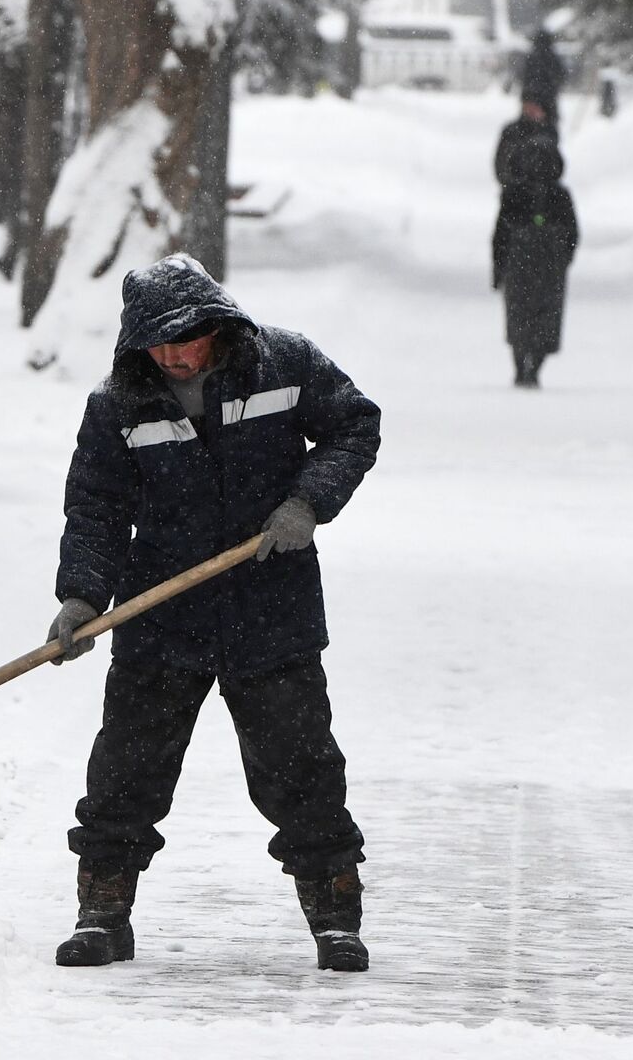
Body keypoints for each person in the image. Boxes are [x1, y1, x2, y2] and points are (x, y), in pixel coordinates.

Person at [46, 254, 381, 973]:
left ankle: (335, 917)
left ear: (215, 326)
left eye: (183, 340)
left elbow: (354, 425)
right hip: (161, 610)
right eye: (156, 344)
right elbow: (97, 507)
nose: (171, 356)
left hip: (271, 604)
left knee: (300, 764)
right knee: (125, 772)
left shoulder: (283, 364)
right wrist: (81, 595)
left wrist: (307, 503)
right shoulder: (119, 402)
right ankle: (103, 913)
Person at [491, 136, 579, 388]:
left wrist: (499, 268)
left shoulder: (516, 193)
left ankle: (524, 366)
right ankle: (530, 366)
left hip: (525, 266)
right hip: (545, 267)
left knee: (522, 317)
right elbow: (573, 233)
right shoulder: (554, 194)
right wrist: (562, 257)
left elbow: (500, 236)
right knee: (542, 318)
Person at [519, 29, 568, 129]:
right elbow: (561, 76)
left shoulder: (531, 57)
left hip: (531, 98)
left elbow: (523, 76)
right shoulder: (553, 58)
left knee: (528, 127)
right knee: (549, 127)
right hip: (548, 98)